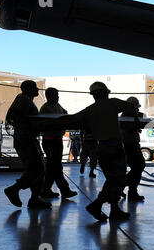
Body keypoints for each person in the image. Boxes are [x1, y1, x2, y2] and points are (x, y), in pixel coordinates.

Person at [38, 82, 138, 221]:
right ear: (106, 93)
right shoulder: (113, 104)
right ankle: (98, 205)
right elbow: (131, 107)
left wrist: (42, 124)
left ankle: (114, 210)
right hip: (115, 147)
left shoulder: (89, 110)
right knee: (117, 179)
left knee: (111, 180)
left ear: (93, 95)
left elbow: (69, 119)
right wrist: (135, 119)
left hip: (101, 148)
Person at [3, 80, 51, 209]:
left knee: (36, 168)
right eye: (35, 87)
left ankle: (34, 199)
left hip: (27, 138)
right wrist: (31, 123)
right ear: (28, 89)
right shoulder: (23, 100)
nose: (38, 90)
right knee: (38, 169)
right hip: (25, 139)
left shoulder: (25, 100)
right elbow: (16, 115)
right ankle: (14, 189)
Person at [39, 87, 77, 199]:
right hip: (51, 140)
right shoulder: (45, 108)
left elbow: (64, 113)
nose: (58, 97)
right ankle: (63, 190)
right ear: (49, 96)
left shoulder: (57, 106)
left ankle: (46, 190)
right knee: (55, 166)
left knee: (53, 167)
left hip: (56, 139)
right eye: (56, 95)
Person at [120, 96, 145, 201]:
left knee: (138, 167)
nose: (137, 110)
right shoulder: (125, 116)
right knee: (138, 167)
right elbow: (138, 125)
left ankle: (131, 191)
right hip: (129, 145)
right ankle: (124, 187)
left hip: (133, 144)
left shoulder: (132, 116)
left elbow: (141, 125)